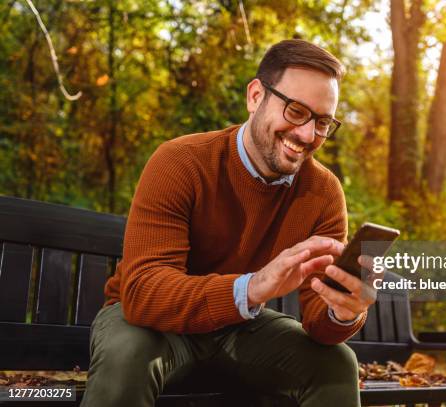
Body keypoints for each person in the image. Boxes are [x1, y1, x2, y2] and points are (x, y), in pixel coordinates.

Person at [81, 39, 378, 407]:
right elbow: (144, 293)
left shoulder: (324, 192)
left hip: (237, 329)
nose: (306, 134)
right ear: (256, 96)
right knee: (129, 353)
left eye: (322, 122)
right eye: (296, 111)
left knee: (335, 363)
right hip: (151, 325)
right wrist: (253, 287)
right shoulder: (180, 162)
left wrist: (343, 310)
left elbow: (319, 323)